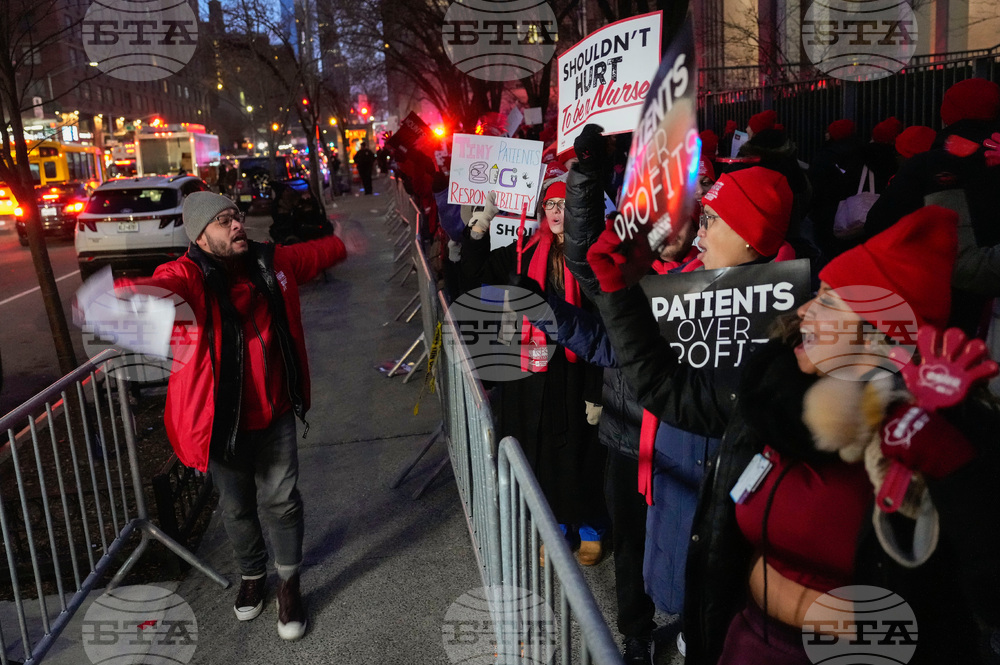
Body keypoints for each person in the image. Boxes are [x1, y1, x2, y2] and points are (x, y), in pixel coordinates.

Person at [582, 202, 1000, 664]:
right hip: (740, 643)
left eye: (828, 301)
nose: (806, 312)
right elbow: (666, 389)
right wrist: (617, 290)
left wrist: (955, 471)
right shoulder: (771, 393)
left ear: (877, 331)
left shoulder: (935, 443)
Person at [119, 192, 348, 641]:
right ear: (200, 236)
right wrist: (132, 297)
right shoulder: (189, 275)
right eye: (223, 221)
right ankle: (251, 575)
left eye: (236, 217)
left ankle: (289, 584)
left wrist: (341, 244)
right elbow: (167, 285)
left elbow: (307, 256)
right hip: (221, 423)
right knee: (237, 507)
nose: (237, 225)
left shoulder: (268, 263)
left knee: (282, 500)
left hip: (276, 411)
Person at [461, 180, 607, 563]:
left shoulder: (593, 254)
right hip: (533, 370)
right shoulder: (522, 251)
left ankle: (591, 525)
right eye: (550, 204)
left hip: (578, 371)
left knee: (583, 452)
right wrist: (479, 229)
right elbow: (471, 277)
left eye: (564, 203)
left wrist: (598, 387)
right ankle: (554, 525)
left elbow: (603, 321)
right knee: (542, 452)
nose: (556, 211)